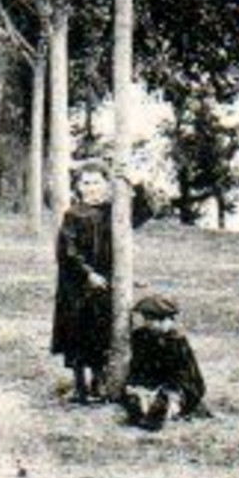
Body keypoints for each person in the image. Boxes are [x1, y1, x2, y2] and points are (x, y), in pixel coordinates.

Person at [50, 161, 151, 404]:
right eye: (85, 183)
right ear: (78, 186)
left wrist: (133, 183)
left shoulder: (113, 212)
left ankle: (99, 382)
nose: (91, 188)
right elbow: (67, 250)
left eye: (96, 182)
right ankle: (79, 387)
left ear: (106, 185)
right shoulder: (73, 214)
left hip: (106, 281)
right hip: (76, 285)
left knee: (99, 333)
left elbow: (143, 211)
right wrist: (87, 274)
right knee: (76, 333)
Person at [123, 294, 210, 431]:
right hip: (150, 382)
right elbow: (138, 365)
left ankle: (163, 412)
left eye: (152, 320)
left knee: (161, 405)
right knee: (134, 403)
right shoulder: (141, 336)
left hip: (177, 385)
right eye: (146, 319)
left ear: (167, 320)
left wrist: (166, 391)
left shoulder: (176, 341)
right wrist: (136, 385)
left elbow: (185, 375)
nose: (148, 323)